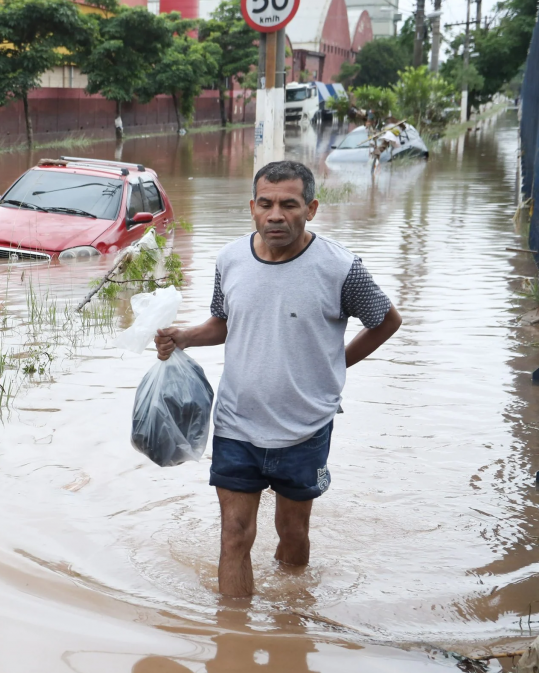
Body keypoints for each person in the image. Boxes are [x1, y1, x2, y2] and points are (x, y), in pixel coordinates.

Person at [154, 161, 402, 598]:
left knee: (293, 534)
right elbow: (224, 322)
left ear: (311, 208)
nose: (275, 215)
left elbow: (386, 321)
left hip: (305, 427)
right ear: (252, 207)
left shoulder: (340, 268)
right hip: (237, 423)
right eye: (266, 204)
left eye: (289, 204)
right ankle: (234, 640)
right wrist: (185, 337)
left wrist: (335, 364)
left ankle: (291, 623)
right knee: (234, 536)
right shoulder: (230, 259)